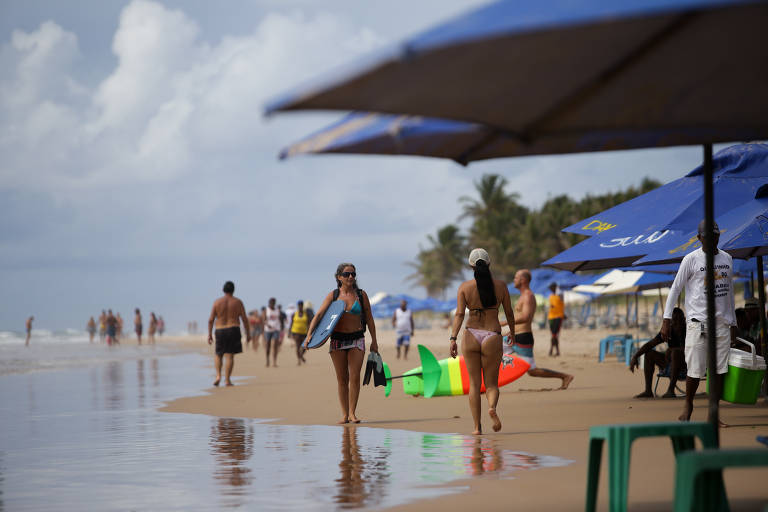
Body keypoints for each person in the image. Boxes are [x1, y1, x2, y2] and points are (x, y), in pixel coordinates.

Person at [662, 220, 736, 424]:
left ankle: (714, 413)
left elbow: (729, 293)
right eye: (708, 237)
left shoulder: (727, 258)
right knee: (695, 369)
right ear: (699, 238)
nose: (713, 240)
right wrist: (666, 319)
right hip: (698, 323)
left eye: (716, 236)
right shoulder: (691, 259)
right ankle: (688, 404)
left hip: (721, 324)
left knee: (719, 371)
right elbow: (676, 289)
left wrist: (733, 323)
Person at [448, 249, 514, 435]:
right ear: (489, 264)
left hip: (471, 335)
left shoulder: (465, 287)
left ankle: (477, 427)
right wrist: (513, 332)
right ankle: (491, 407)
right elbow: (509, 312)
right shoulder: (501, 286)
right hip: (492, 334)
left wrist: (453, 338)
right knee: (491, 384)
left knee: (474, 385)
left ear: (471, 266)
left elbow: (459, 314)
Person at [303, 263, 379, 424]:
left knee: (355, 377)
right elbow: (319, 315)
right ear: (339, 277)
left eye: (353, 274)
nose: (350, 276)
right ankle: (344, 414)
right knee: (342, 379)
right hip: (337, 339)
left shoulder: (361, 295)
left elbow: (369, 318)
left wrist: (374, 341)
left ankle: (352, 413)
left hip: (357, 338)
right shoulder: (334, 295)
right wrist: (309, 335)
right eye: (346, 274)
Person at [504, 269, 574, 389]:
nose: (514, 280)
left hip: (523, 338)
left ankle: (565, 376)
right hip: (513, 336)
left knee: (532, 371)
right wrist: (511, 331)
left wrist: (504, 322)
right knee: (490, 351)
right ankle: (486, 385)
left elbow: (525, 317)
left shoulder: (528, 296)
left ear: (523, 280)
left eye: (516, 278)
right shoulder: (522, 296)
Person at [629, 307, 686, 398]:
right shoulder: (668, 330)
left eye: (679, 320)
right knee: (649, 353)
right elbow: (650, 344)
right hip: (671, 364)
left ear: (684, 319)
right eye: (674, 320)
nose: (677, 323)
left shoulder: (689, 330)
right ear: (670, 322)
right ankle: (648, 391)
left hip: (686, 365)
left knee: (675, 352)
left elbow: (694, 349)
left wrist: (673, 350)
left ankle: (670, 390)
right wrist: (635, 356)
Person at [207, 280, 251, 387]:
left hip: (220, 329)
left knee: (218, 354)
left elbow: (211, 319)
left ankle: (218, 376)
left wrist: (209, 334)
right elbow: (244, 319)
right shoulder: (237, 302)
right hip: (233, 329)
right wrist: (248, 333)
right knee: (230, 356)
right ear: (233, 290)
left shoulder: (217, 302)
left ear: (223, 290)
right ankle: (227, 380)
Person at [547, 283, 565, 356]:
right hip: (551, 317)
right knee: (553, 335)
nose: (551, 289)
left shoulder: (560, 295)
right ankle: (557, 351)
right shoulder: (551, 296)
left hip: (558, 317)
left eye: (553, 288)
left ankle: (551, 349)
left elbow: (561, 304)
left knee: (554, 334)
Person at [289, 300, 310, 365]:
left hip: (304, 333)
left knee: (305, 346)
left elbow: (309, 323)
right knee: (298, 346)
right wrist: (289, 332)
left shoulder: (306, 314)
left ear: (302, 306)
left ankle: (301, 356)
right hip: (296, 332)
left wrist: (309, 331)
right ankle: (299, 360)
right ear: (298, 306)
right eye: (299, 305)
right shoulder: (294, 314)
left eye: (301, 305)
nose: (300, 306)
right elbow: (291, 323)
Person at [263, 298, 281, 367]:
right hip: (268, 330)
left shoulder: (277, 310)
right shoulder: (266, 310)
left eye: (273, 303)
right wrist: (267, 324)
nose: (272, 304)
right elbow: (264, 319)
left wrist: (281, 327)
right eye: (271, 303)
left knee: (275, 345)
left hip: (276, 329)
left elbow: (279, 319)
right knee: (268, 345)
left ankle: (274, 362)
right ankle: (267, 360)